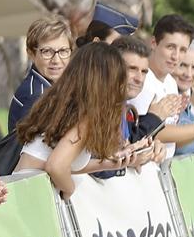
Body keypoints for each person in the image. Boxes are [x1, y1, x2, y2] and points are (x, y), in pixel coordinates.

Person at [15, 44, 141, 197]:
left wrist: (109, 162)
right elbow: (56, 166)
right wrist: (69, 189)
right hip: (32, 198)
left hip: (24, 193)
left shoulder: (65, 105)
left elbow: (64, 162)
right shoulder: (84, 118)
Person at [10, 15, 73, 127]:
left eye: (63, 51)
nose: (56, 60)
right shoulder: (37, 96)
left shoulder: (49, 87)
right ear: (31, 54)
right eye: (47, 51)